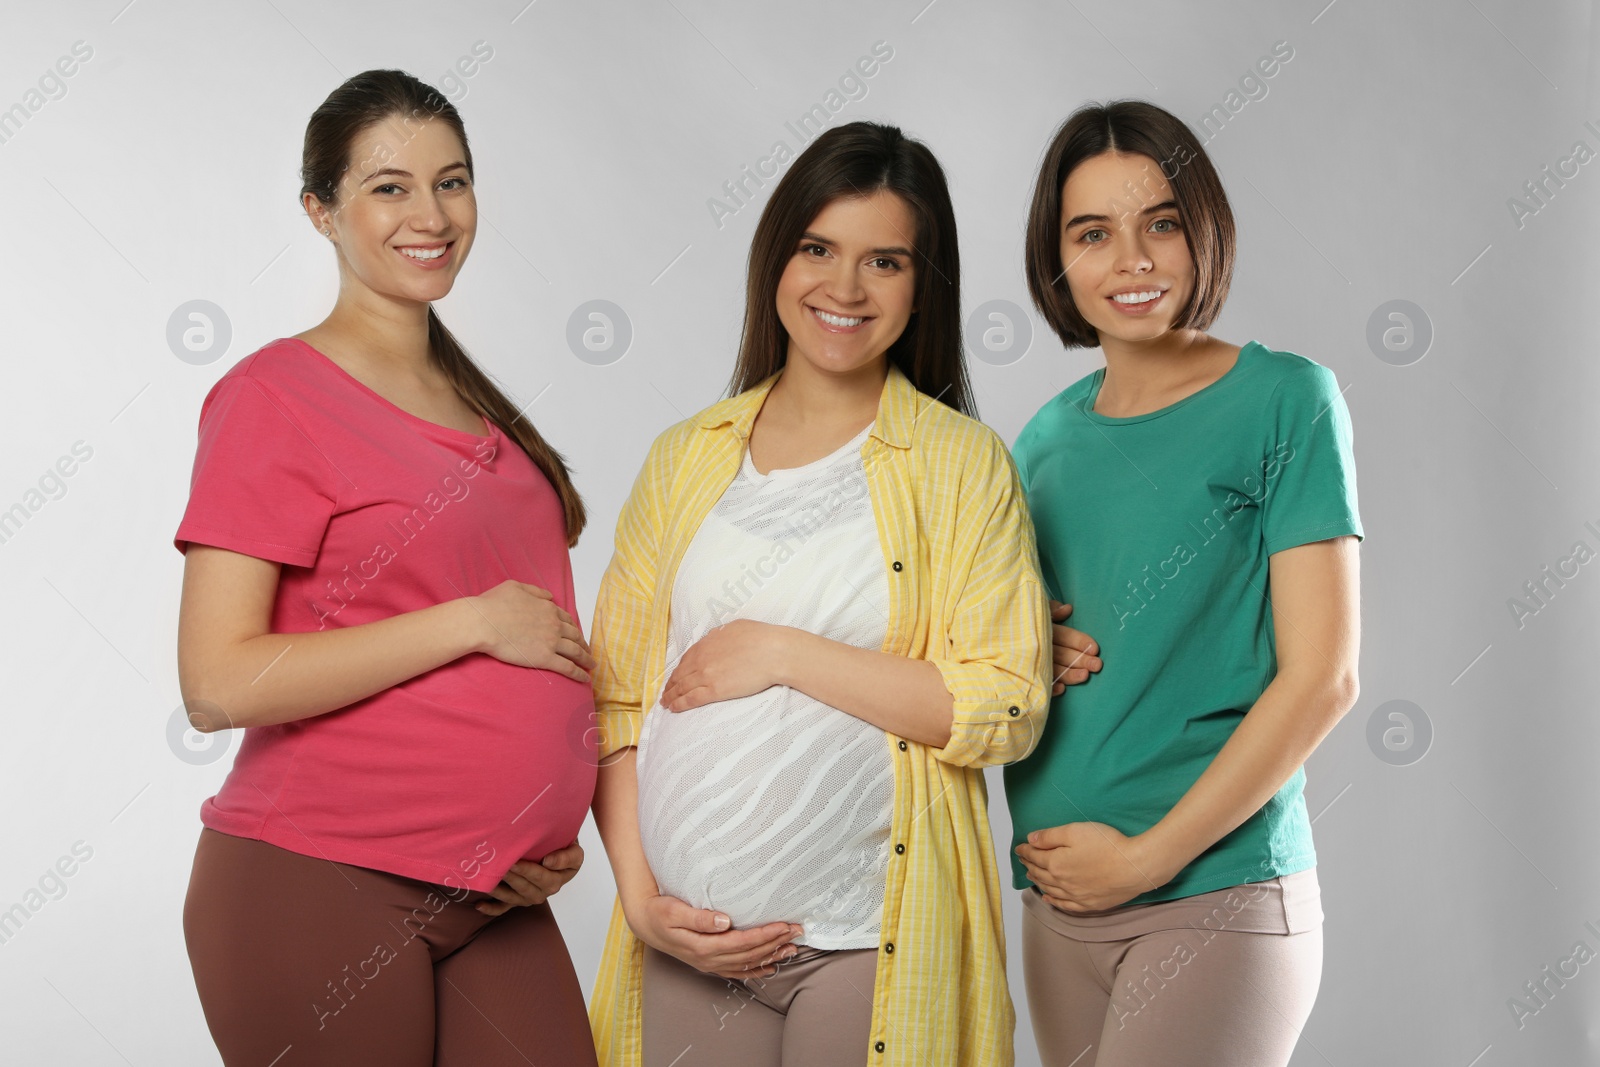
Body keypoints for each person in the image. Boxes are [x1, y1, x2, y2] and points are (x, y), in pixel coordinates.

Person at [585, 120, 1051, 1067]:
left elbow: (1007, 702)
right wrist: (640, 897)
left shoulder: (961, 466)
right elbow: (614, 700)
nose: (844, 288)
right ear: (777, 258)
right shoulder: (685, 458)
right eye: (819, 249)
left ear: (923, 284)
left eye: (884, 260)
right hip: (687, 938)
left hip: (864, 936)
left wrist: (783, 649)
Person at [174, 69, 600, 1066]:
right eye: (388, 186)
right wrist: (471, 622)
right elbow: (216, 680)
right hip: (314, 879)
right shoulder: (273, 398)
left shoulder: (480, 406)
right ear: (319, 209)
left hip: (490, 892)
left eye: (452, 181)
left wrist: (539, 828)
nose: (432, 213)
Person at [1005, 99, 1363, 1067]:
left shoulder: (1284, 399)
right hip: (1059, 905)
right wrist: (1015, 637)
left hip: (1211, 897)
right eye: (1093, 233)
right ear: (1057, 258)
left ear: (1201, 230)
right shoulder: (1039, 443)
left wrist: (1147, 856)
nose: (1131, 259)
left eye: (1159, 222)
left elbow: (1322, 676)